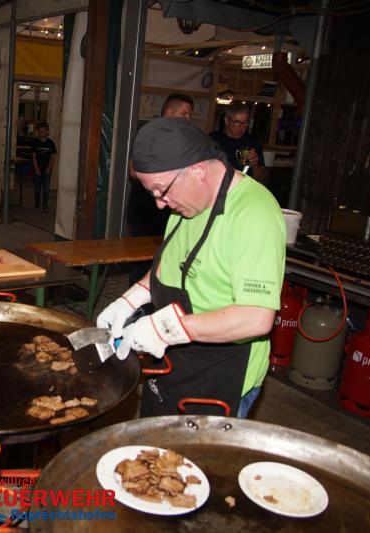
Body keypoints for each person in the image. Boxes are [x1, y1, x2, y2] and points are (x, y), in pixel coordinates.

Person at [97, 118, 285, 418]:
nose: (160, 204)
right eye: (152, 193)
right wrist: (130, 299)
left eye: (162, 191)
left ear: (198, 170)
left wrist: (164, 329)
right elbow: (168, 267)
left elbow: (256, 318)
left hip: (222, 374)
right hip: (176, 361)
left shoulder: (254, 214)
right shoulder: (186, 204)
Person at [127, 93, 194, 285]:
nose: (188, 119)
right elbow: (133, 170)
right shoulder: (148, 134)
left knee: (168, 256)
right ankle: (137, 298)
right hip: (144, 208)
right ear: (169, 112)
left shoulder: (185, 138)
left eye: (190, 115)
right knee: (141, 260)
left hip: (171, 208)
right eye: (184, 114)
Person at [209, 104, 267, 183]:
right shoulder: (212, 139)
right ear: (226, 120)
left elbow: (261, 180)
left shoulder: (252, 142)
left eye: (245, 122)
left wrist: (255, 165)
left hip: (245, 187)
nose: (241, 127)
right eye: (237, 122)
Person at [30, 122, 57, 212]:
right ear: (38, 132)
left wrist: (49, 167)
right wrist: (36, 168)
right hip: (37, 169)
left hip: (47, 169)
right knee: (37, 187)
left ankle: (45, 205)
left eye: (44, 131)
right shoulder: (35, 143)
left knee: (46, 188)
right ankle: (37, 202)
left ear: (47, 132)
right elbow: (34, 157)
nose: (42, 133)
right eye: (40, 131)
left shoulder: (51, 143)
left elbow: (52, 157)